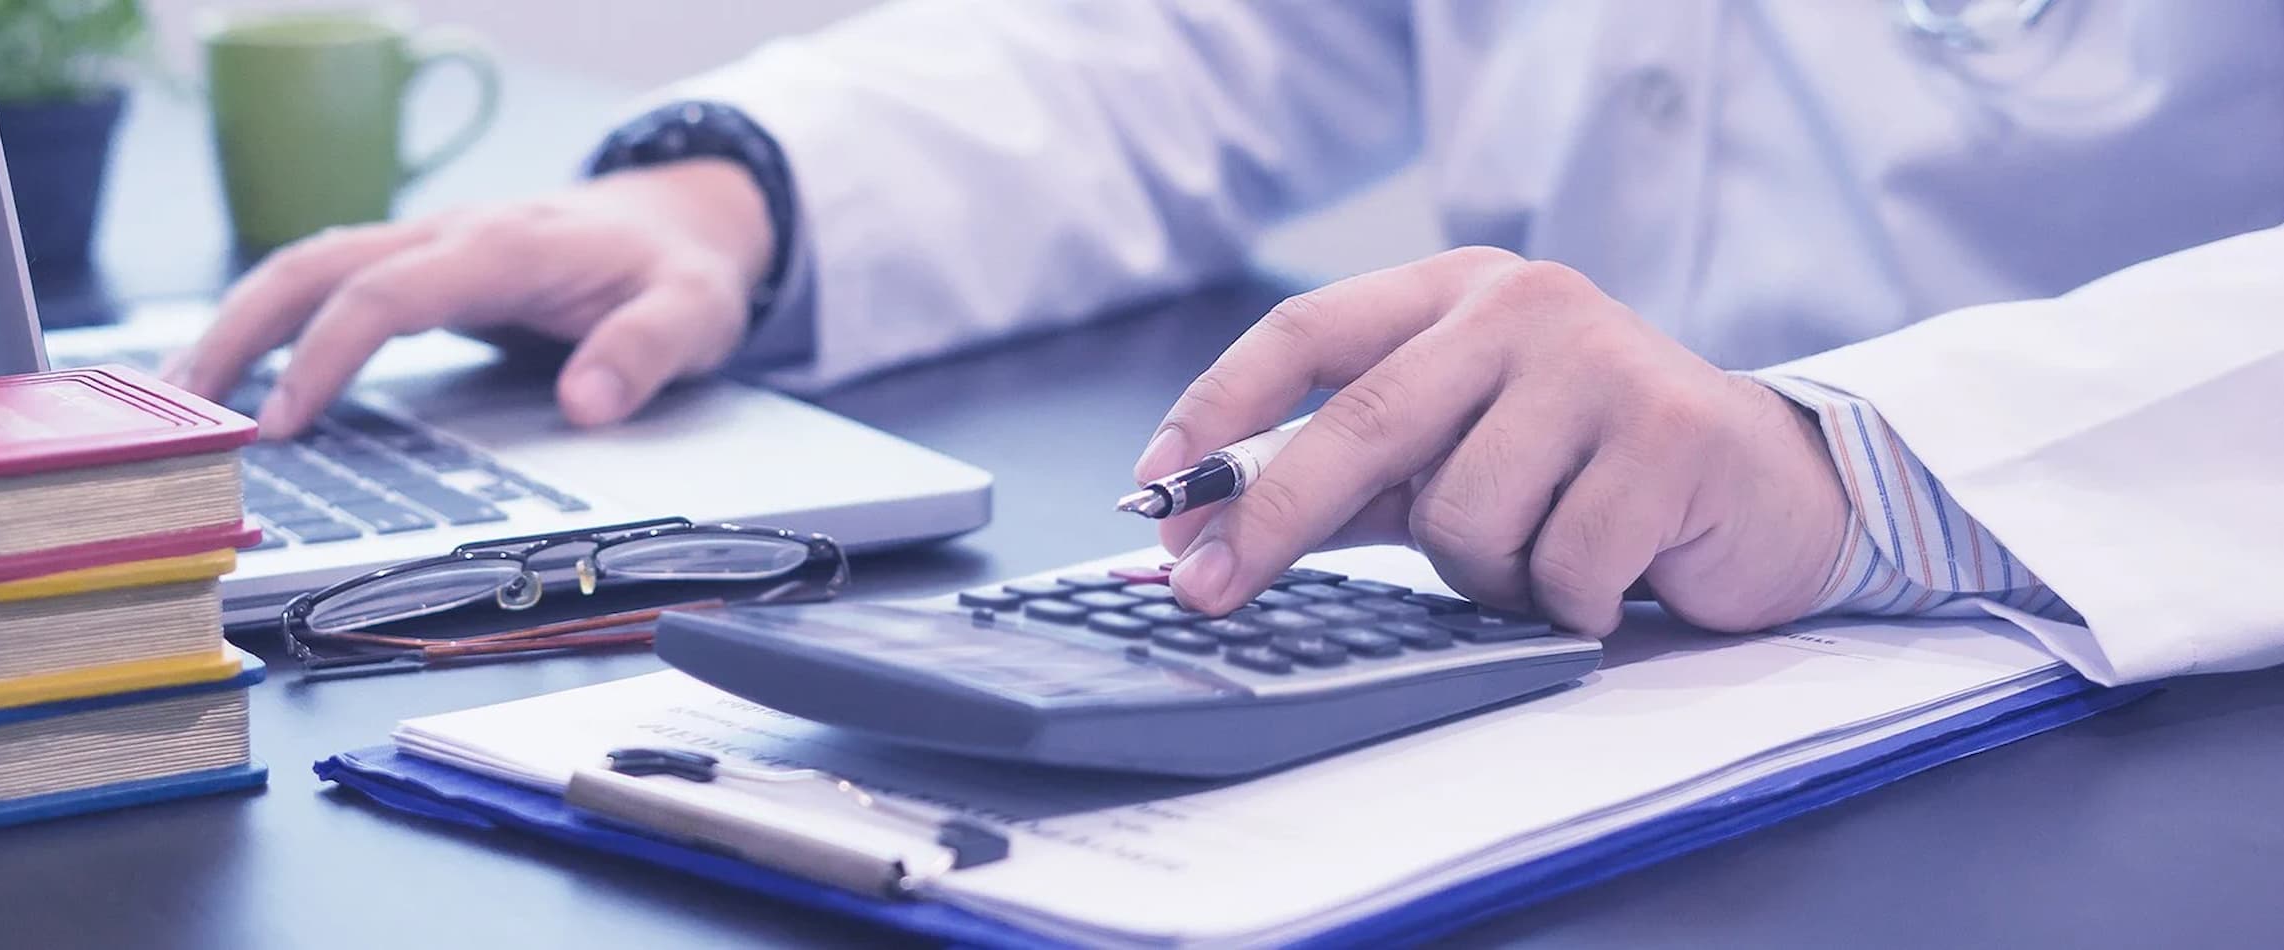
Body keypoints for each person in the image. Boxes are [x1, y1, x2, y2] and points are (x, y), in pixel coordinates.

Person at [163, 1, 2284, 686]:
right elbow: (1211, 33)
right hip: (1538, 618)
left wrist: (1859, 455)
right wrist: (732, 194)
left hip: (2105, 662)